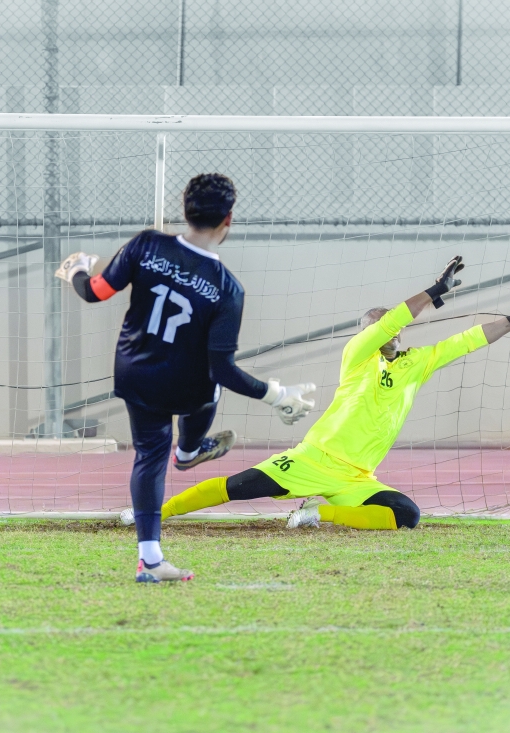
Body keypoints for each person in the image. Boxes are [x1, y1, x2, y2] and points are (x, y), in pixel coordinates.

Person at [122, 255, 510, 531]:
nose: (389, 329)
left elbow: (466, 341)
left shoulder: (413, 364)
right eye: (378, 324)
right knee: (239, 487)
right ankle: (154, 514)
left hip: (356, 476)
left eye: (392, 326)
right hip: (315, 460)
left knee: (406, 515)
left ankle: (318, 514)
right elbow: (388, 322)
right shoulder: (357, 355)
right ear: (366, 331)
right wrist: (435, 291)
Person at [57, 173, 316, 582]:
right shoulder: (228, 289)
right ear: (228, 220)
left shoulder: (146, 244)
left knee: (149, 457)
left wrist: (75, 267)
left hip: (136, 374)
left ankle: (151, 560)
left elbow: (96, 292)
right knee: (208, 388)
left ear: (185, 210)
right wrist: (276, 394)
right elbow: (222, 369)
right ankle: (191, 449)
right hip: (187, 386)